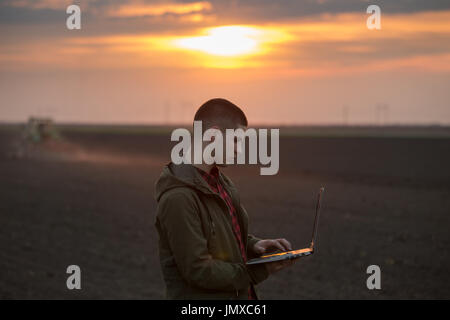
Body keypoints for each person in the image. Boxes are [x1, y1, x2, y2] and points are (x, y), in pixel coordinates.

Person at [155, 98, 296, 299]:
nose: (239, 150)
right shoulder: (179, 198)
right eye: (236, 140)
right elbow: (198, 270)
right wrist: (259, 271)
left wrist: (254, 245)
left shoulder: (221, 184)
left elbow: (220, 235)